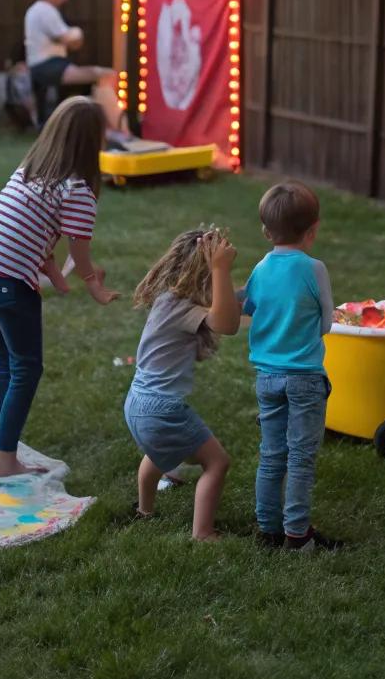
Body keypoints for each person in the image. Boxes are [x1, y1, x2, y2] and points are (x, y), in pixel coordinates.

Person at [0, 97, 118, 477]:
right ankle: (4, 458)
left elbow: (33, 236)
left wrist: (58, 279)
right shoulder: (77, 189)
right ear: (92, 140)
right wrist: (93, 285)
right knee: (27, 368)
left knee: (6, 360)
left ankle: (3, 445)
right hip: (5, 280)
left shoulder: (29, 172)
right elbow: (79, 252)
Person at [241, 181, 343, 552]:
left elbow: (250, 309)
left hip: (267, 378)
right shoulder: (315, 269)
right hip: (305, 380)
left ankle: (268, 529)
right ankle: (298, 535)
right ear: (313, 230)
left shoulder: (260, 269)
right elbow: (326, 324)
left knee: (271, 455)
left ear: (266, 232)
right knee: (300, 458)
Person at [124, 228, 240, 540]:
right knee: (217, 462)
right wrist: (222, 268)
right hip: (162, 409)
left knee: (157, 453)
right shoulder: (182, 309)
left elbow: (225, 304)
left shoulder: (168, 300)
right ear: (205, 275)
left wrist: (246, 290)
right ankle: (203, 533)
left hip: (136, 403)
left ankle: (144, 511)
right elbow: (227, 323)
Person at [24, 0, 125, 138]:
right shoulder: (45, 11)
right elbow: (69, 40)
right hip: (49, 66)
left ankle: (104, 126)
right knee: (103, 75)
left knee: (94, 78)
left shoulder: (37, 11)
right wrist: (77, 33)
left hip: (49, 65)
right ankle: (117, 126)